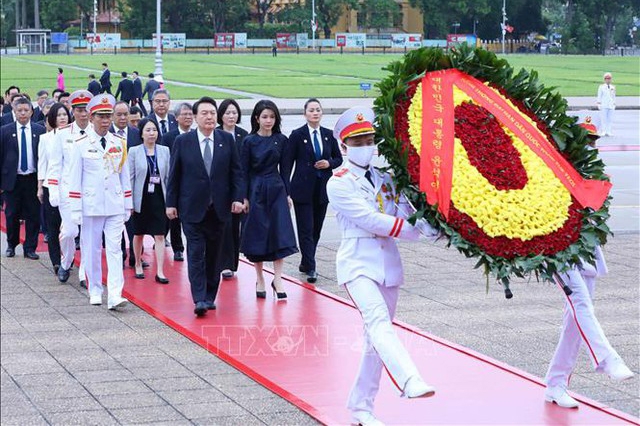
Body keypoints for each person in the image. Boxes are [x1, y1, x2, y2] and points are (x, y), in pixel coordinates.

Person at [326, 107, 438, 426]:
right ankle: (410, 379)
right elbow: (370, 219)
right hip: (358, 263)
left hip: (388, 265)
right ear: (343, 146)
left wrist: (434, 229)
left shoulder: (387, 178)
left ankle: (361, 407)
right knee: (377, 322)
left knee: (375, 339)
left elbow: (406, 209)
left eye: (369, 139)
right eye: (357, 140)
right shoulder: (338, 182)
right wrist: (413, 228)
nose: (365, 145)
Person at [543, 123, 634, 409]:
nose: (589, 146)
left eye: (592, 142)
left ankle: (556, 384)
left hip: (586, 254)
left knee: (574, 324)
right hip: (559, 251)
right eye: (584, 141)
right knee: (581, 305)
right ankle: (608, 360)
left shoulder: (597, 176)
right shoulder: (554, 171)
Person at [166, 96, 245, 316]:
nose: (209, 117)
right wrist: (170, 203)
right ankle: (199, 297)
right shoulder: (183, 142)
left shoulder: (226, 140)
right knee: (196, 253)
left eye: (212, 113)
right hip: (192, 208)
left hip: (219, 209)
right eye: (204, 113)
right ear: (195, 117)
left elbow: (236, 173)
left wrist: (238, 198)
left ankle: (210, 295)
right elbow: (175, 175)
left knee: (214, 255)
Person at [67, 94, 132, 310]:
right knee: (92, 249)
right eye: (101, 116)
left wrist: (127, 203)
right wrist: (75, 208)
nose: (105, 121)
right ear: (92, 117)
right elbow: (74, 178)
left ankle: (115, 294)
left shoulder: (119, 142)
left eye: (108, 116)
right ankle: (95, 289)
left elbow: (124, 175)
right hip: (91, 205)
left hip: (113, 204)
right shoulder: (81, 144)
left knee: (115, 249)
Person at [241, 100, 298, 300]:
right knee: (258, 235)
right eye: (264, 117)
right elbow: (244, 171)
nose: (268, 121)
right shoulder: (248, 141)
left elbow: (285, 170)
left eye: (272, 117)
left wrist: (287, 193)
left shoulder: (281, 140)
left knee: (279, 233)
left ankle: (278, 278)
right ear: (257, 118)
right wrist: (245, 197)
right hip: (255, 189)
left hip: (276, 189)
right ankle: (260, 278)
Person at [283, 98, 342, 283]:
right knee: (305, 229)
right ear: (305, 114)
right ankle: (311, 267)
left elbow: (338, 158)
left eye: (318, 110)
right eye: (311, 110)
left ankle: (305, 261)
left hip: (322, 189)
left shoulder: (328, 134)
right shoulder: (297, 135)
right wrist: (286, 190)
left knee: (316, 229)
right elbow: (286, 164)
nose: (315, 113)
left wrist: (329, 163)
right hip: (302, 190)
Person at [47, 90, 93, 284]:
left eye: (86, 110)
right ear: (73, 111)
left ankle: (84, 273)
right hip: (68, 192)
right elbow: (55, 164)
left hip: (90, 191)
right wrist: (53, 189)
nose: (83, 114)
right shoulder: (63, 134)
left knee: (89, 234)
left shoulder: (96, 132)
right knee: (69, 232)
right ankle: (66, 262)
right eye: (79, 110)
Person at [0, 97, 46, 259]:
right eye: (19, 110)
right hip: (12, 180)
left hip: (33, 179)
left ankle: (30, 247)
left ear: (31, 112)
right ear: (14, 111)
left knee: (33, 214)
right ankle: (11, 244)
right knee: (11, 214)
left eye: (26, 110)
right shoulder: (5, 130)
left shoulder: (39, 131)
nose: (23, 113)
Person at [129, 118, 170, 283]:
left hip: (159, 197)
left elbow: (168, 177)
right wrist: (129, 202)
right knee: (138, 233)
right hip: (141, 198)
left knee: (159, 234)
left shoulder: (165, 150)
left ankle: (160, 270)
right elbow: (130, 178)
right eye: (148, 130)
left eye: (154, 130)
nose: (152, 133)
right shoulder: (134, 151)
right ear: (141, 133)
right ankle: (138, 262)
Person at [37, 102, 71, 273]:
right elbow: (42, 163)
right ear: (52, 118)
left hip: (71, 186)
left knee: (70, 226)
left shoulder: (75, 135)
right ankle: (56, 260)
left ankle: (68, 257)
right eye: (58, 115)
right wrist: (40, 187)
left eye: (65, 114)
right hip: (51, 185)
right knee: (53, 224)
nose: (62, 118)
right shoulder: (46, 138)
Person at [216, 99, 248, 279]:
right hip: (220, 189)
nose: (231, 116)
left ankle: (232, 263)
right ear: (221, 115)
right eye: (228, 113)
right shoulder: (216, 134)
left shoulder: (244, 136)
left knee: (235, 227)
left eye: (234, 112)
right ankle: (222, 262)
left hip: (238, 189)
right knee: (222, 227)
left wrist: (243, 195)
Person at [111, 101, 143, 267]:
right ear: (112, 115)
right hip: (112, 186)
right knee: (115, 225)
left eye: (126, 114)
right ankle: (120, 253)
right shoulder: (106, 134)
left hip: (133, 186)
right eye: (119, 114)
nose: (123, 118)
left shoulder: (137, 134)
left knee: (134, 223)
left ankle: (136, 256)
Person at [161, 102, 193, 262]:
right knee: (174, 218)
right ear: (176, 117)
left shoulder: (196, 134)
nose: (188, 117)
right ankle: (178, 248)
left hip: (192, 183)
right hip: (175, 181)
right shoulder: (168, 137)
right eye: (184, 114)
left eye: (190, 114)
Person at [596, 72, 616, 137]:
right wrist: (598, 103)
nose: (608, 80)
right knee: (603, 118)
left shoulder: (613, 87)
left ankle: (609, 131)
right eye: (607, 78)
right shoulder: (601, 87)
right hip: (604, 105)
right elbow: (599, 96)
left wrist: (614, 104)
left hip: (611, 105)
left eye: (609, 78)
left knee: (610, 119)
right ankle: (604, 131)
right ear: (604, 79)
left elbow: (613, 96)